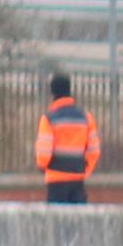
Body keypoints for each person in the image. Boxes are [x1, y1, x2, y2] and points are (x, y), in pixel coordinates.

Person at [37, 72, 98, 206]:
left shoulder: (48, 119)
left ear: (52, 92)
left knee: (56, 223)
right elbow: (94, 151)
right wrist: (85, 170)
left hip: (56, 180)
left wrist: (43, 167)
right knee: (78, 222)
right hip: (78, 181)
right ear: (69, 90)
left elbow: (43, 153)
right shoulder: (86, 118)